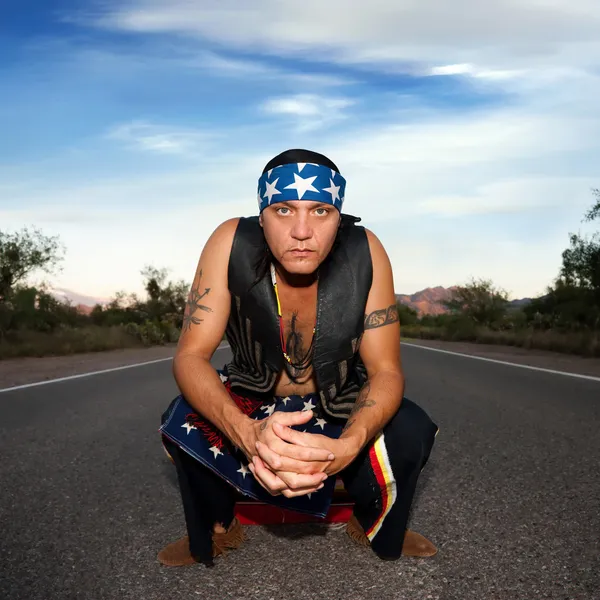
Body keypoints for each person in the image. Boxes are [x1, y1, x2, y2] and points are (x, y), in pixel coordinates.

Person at [158, 148, 439, 567]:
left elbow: (386, 370)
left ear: (339, 217)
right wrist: (246, 433)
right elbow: (190, 357)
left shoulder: (366, 250)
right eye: (284, 210)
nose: (302, 231)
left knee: (409, 426)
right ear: (262, 214)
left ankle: (371, 520)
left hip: (338, 397)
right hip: (253, 395)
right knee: (182, 416)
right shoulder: (229, 242)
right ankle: (216, 525)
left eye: (321, 212)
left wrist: (349, 444)